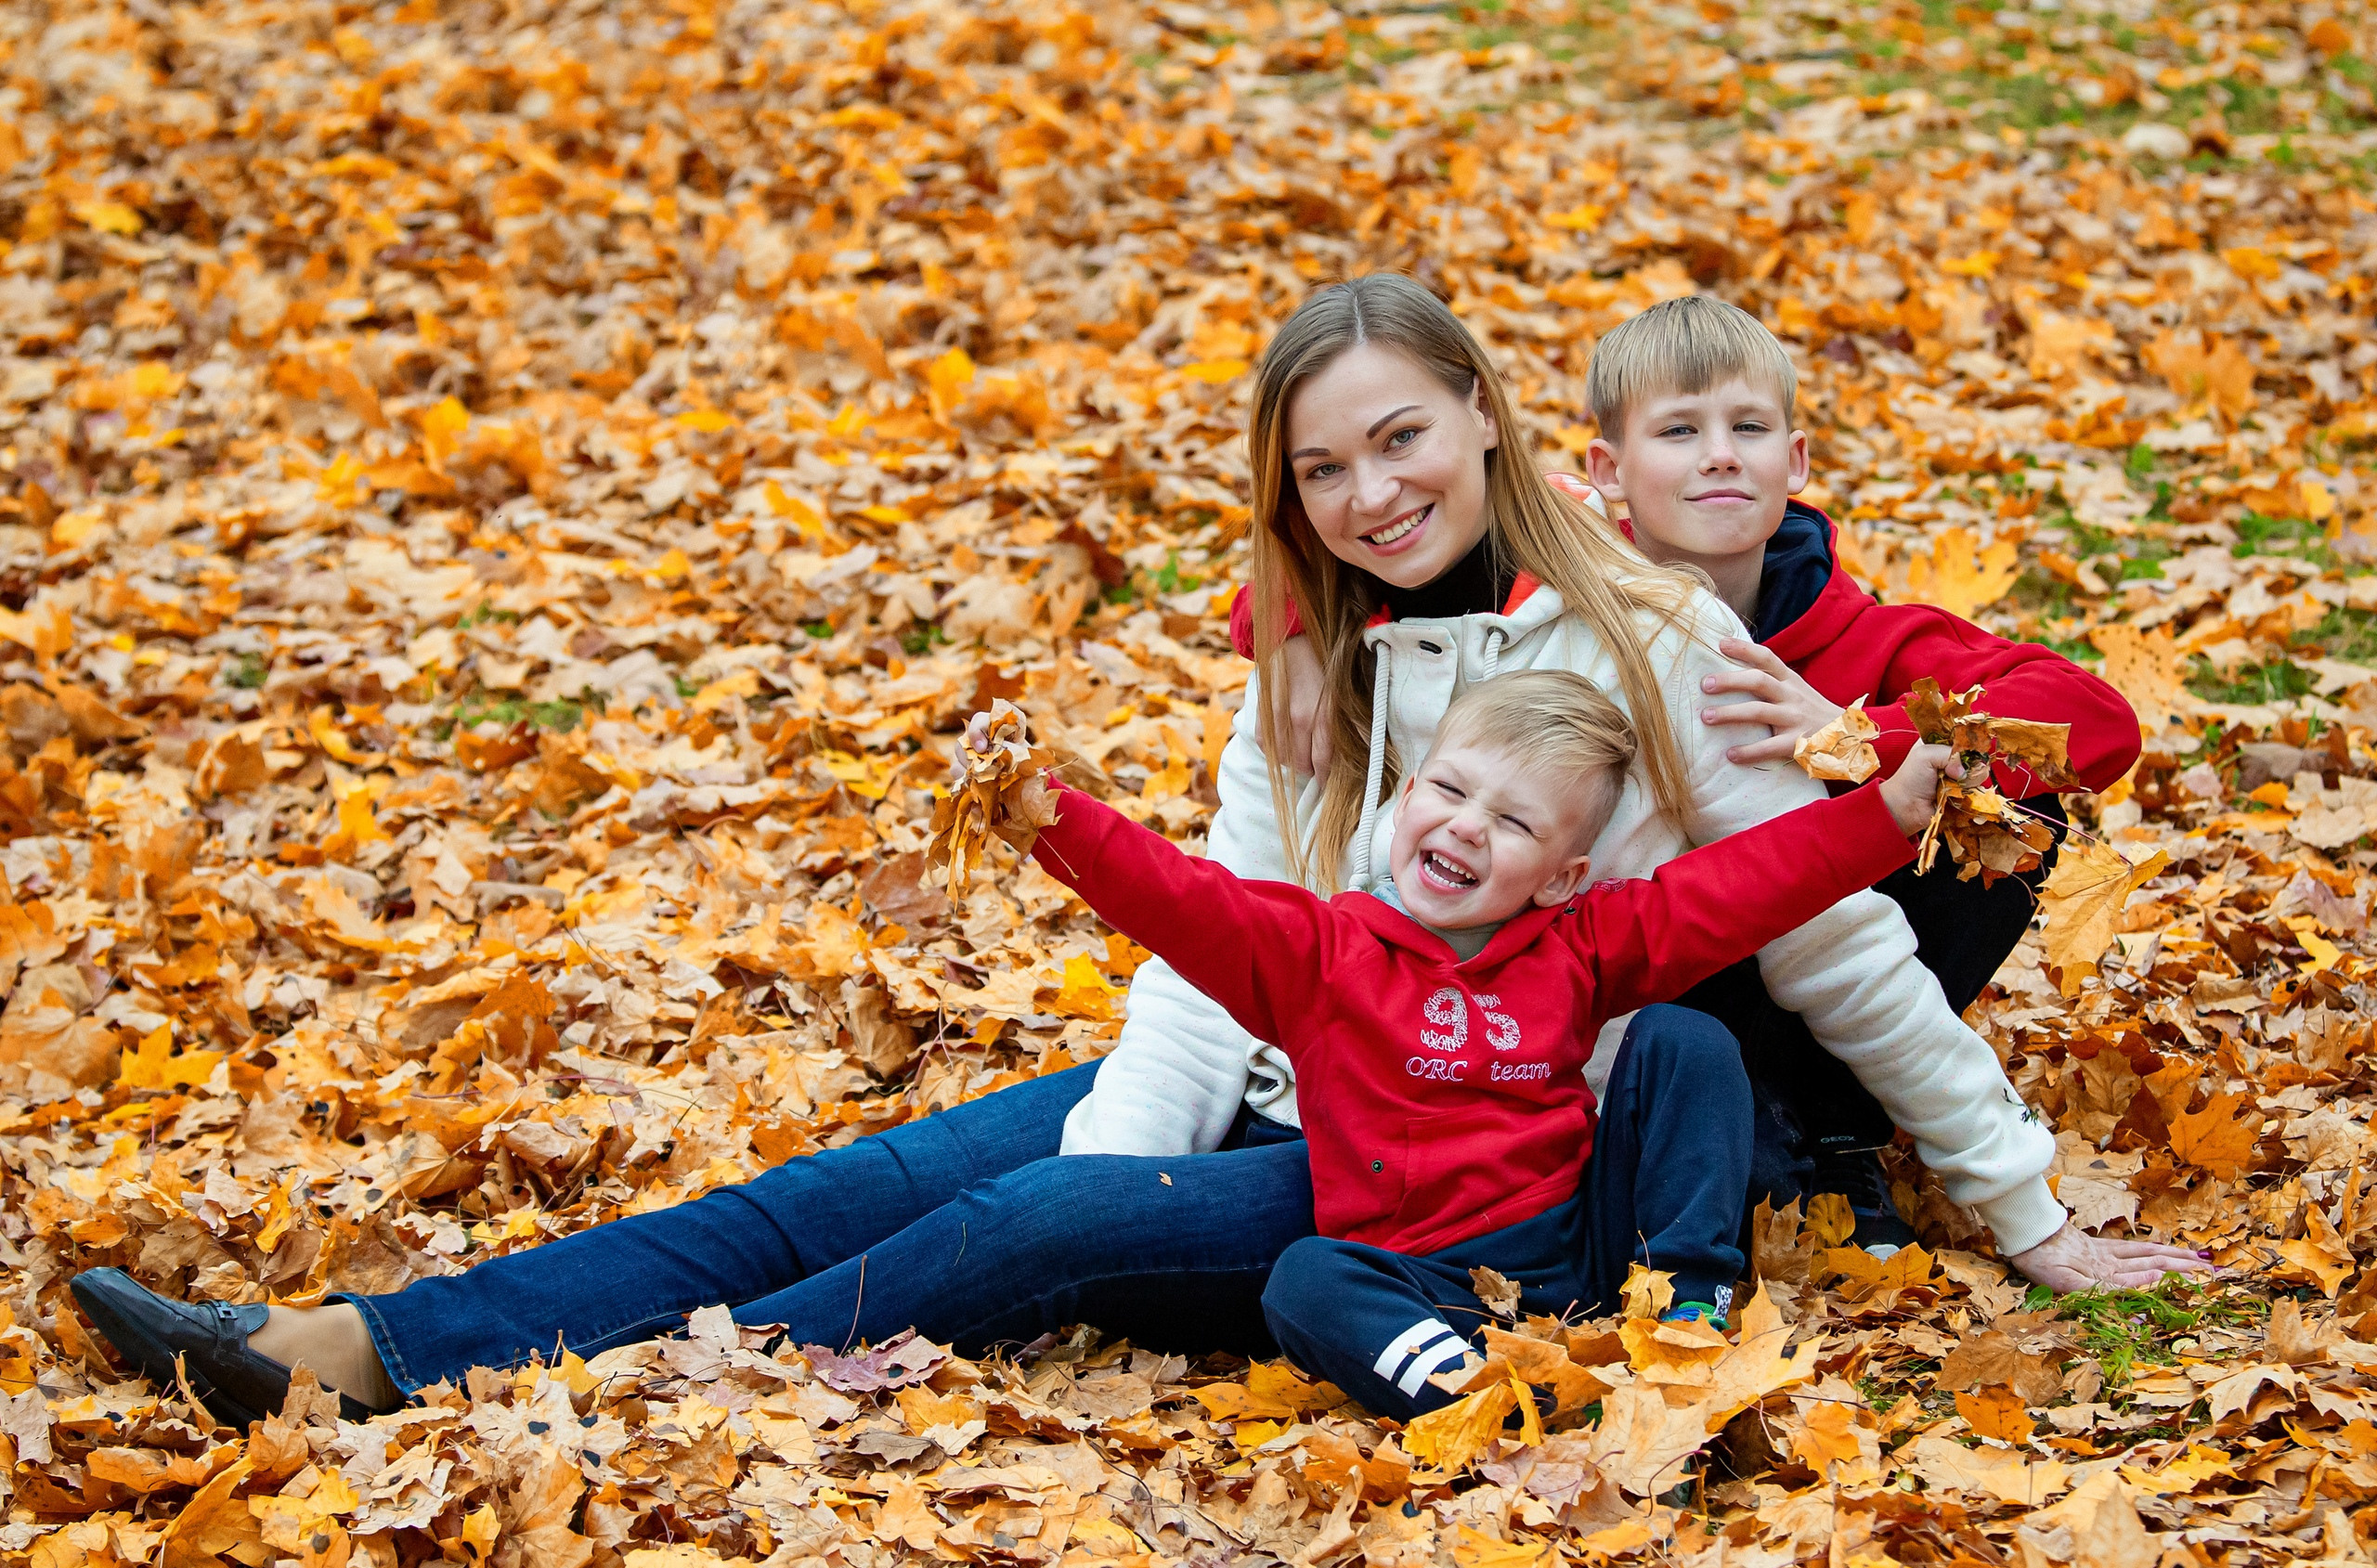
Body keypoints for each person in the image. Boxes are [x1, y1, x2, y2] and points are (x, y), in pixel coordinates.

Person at [70, 274, 2203, 1432]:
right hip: (1284, 1067)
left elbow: (1826, 941)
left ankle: (584, 1389)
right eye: (1323, 468)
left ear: (1479, 414)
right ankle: (357, 1343)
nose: (1373, 492)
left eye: (1401, 437)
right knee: (861, 1179)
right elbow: (1212, 945)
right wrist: (1121, 1151)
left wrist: (2025, 1214)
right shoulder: (1299, 662)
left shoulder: (1651, 640)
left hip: (1461, 1139)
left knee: (1004, 1224)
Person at [1227, 293, 2145, 1243]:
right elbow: (1374, 535)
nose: (1717, 455)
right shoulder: (1573, 585)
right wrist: (1286, 627)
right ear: (1607, 473)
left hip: (1815, 949)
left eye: (1746, 428)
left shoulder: (1853, 640)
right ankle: (1755, 1139)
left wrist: (1856, 738)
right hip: (1649, 978)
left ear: (1794, 459)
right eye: (1678, 431)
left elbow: (2096, 725)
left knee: (1995, 824)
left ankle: (1835, 1126)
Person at [1008, 670, 1954, 1419]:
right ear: (1406, 796)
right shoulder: (1322, 954)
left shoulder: (1581, 944)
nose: (1467, 824)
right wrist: (1038, 807)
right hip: (1426, 1278)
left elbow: (1743, 883)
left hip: (1587, 1247)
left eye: (1512, 822)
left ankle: (1687, 1315)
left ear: (1561, 875)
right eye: (1452, 791)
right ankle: (1488, 1402)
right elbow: (1174, 893)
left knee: (1684, 1039)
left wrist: (1887, 813)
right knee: (1305, 1281)